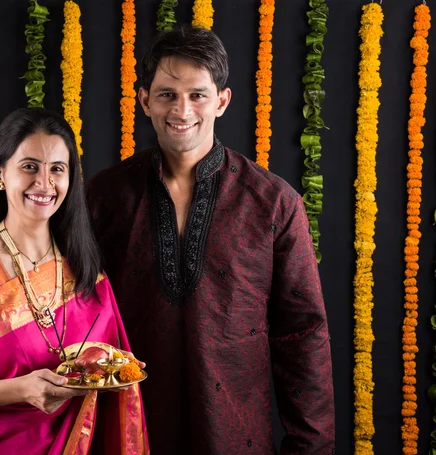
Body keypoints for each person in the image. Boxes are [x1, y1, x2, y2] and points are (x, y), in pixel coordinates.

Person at [86, 26, 335, 454]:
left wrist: (310, 447)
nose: (182, 110)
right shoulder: (105, 197)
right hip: (128, 432)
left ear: (222, 100)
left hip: (235, 435)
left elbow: (303, 336)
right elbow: (72, 314)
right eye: (167, 94)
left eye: (198, 95)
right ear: (144, 100)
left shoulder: (273, 203)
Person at [0, 107, 149, 455]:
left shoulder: (83, 267)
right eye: (30, 167)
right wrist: (17, 390)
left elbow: (102, 355)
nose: (45, 183)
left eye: (57, 170)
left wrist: (111, 366)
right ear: (1, 173)